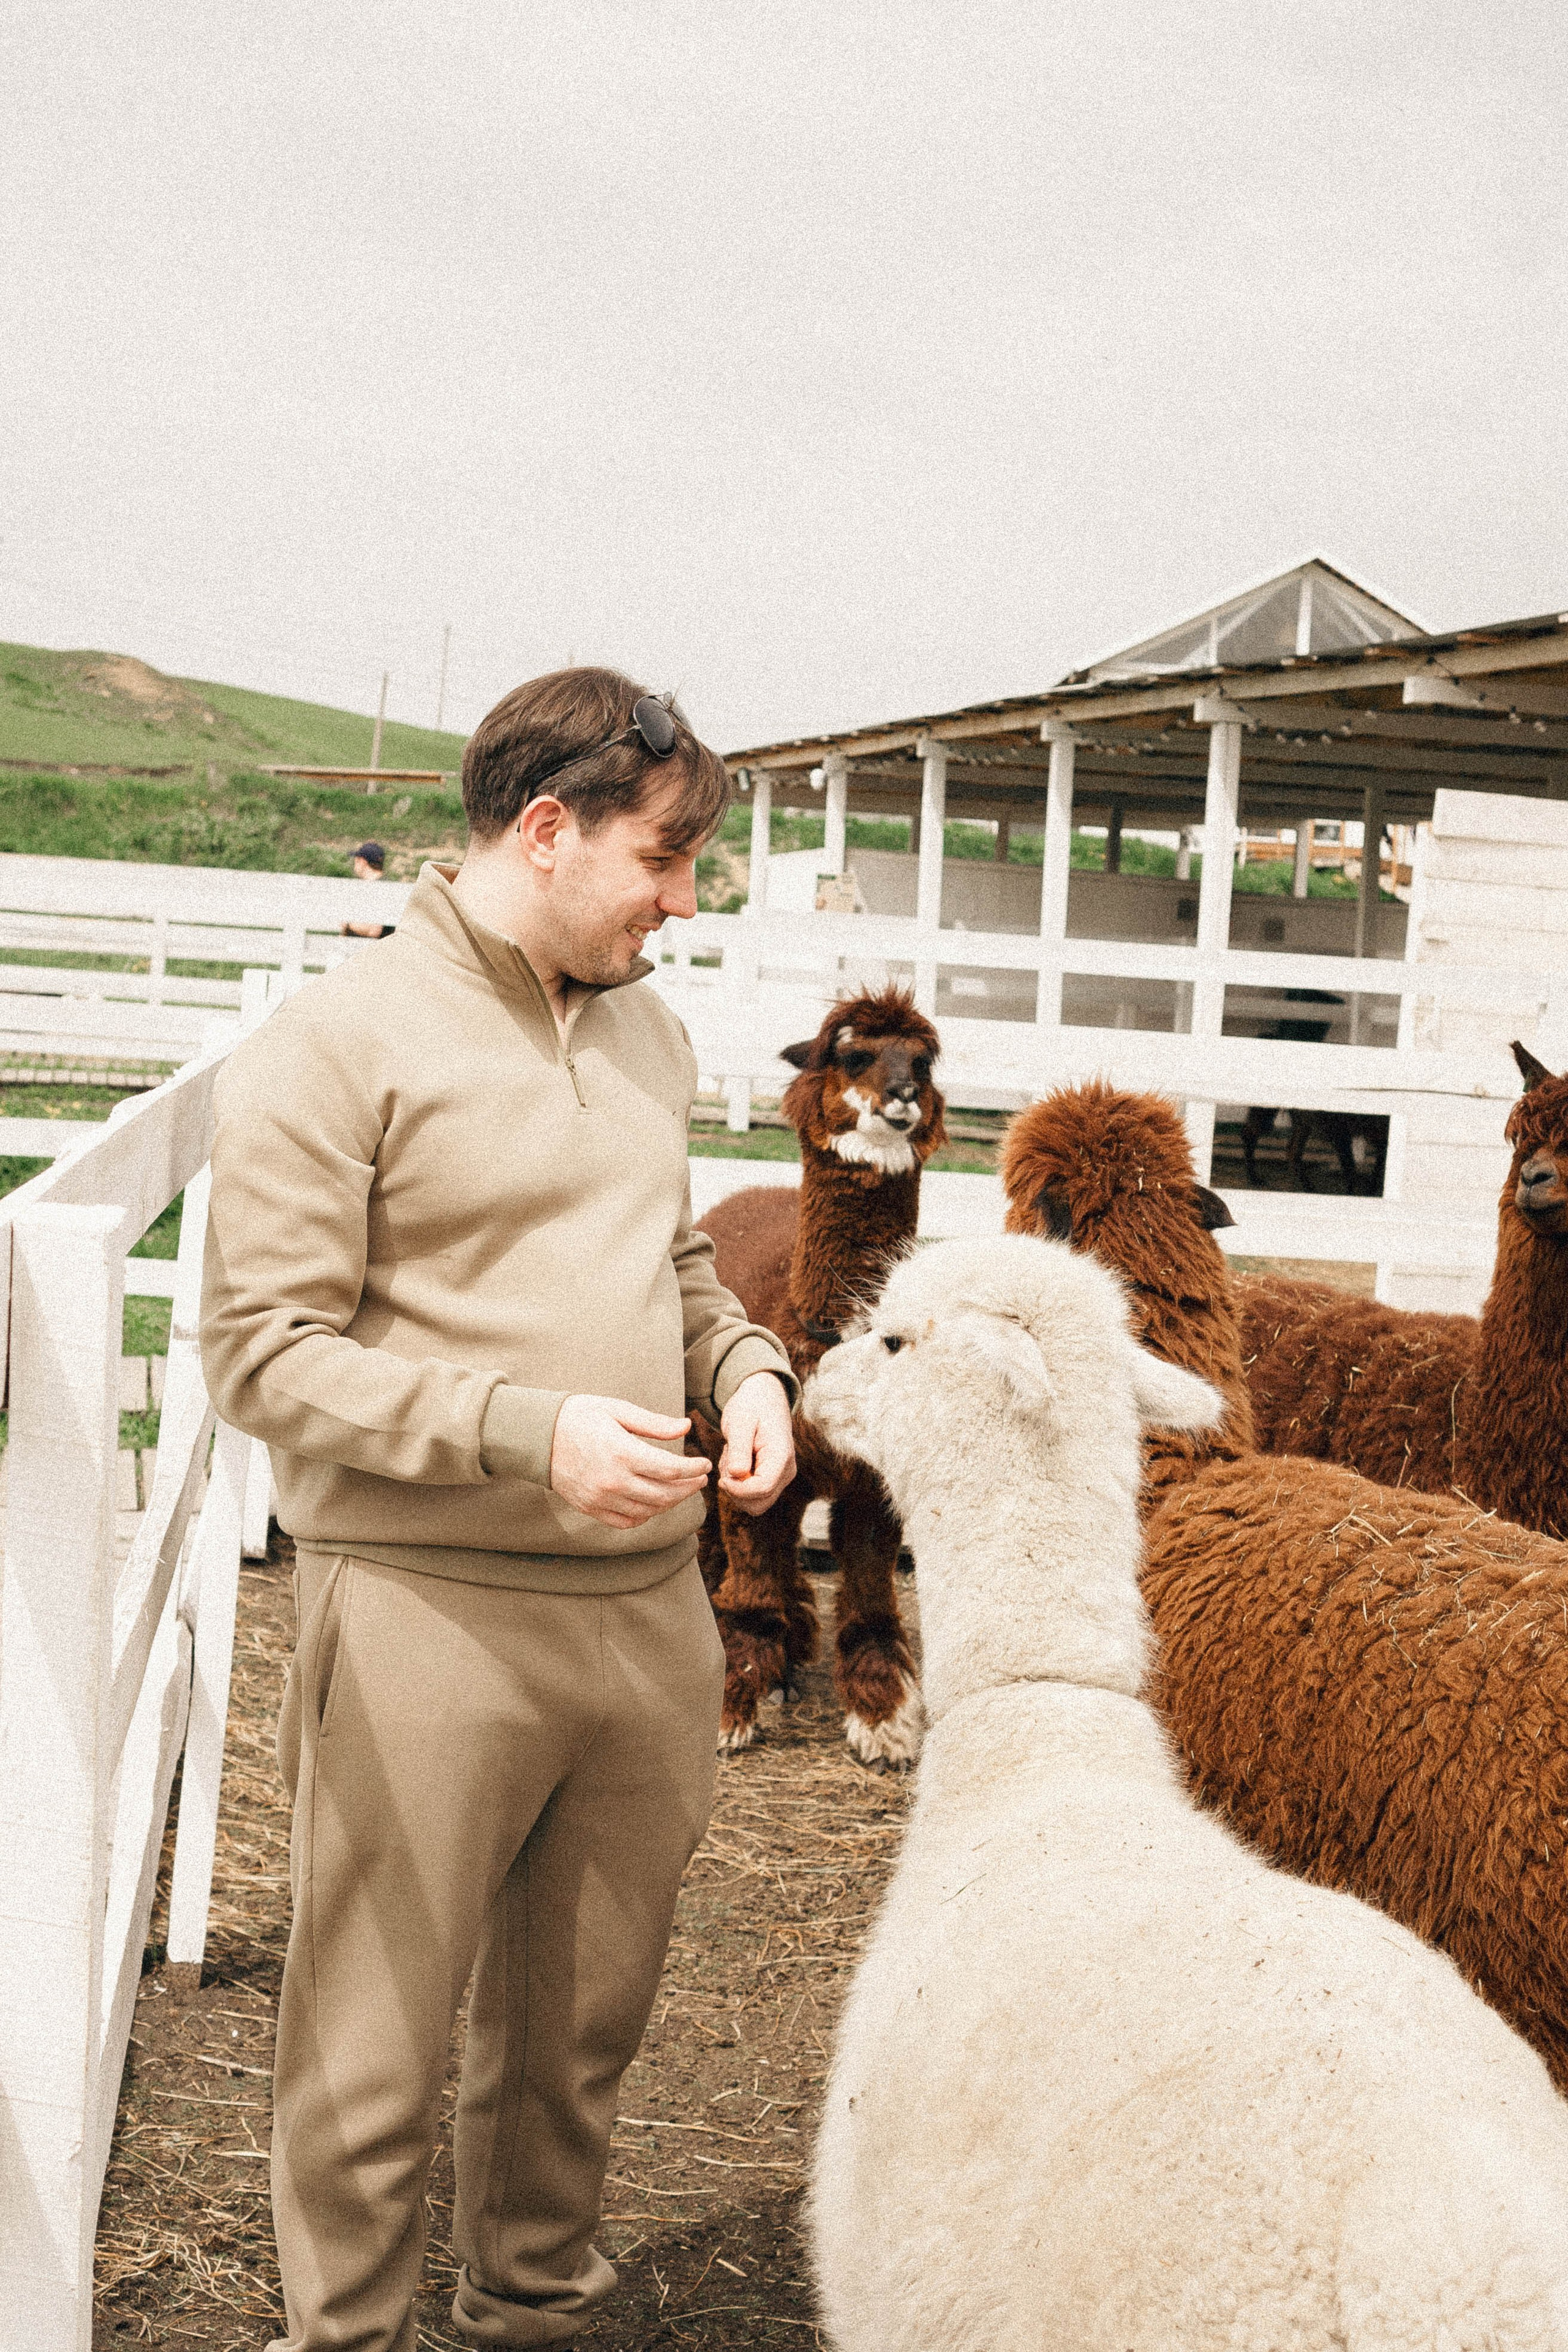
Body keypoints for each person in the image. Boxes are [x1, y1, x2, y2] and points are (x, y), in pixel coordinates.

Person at [200, 669, 798, 2352]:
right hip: (424, 1610)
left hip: (641, 1612)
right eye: (664, 859)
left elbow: (669, 1258)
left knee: (579, 2042)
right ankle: (351, 2338)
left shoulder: (645, 1029)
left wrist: (745, 1366)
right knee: (372, 2050)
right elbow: (263, 1357)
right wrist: (527, 1433)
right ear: (547, 829)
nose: (685, 901)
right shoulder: (340, 1045)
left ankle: (528, 2315)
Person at [340, 837, 393, 937]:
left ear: (363, 862)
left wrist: (348, 924)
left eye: (356, 860)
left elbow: (374, 930)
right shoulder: (380, 885)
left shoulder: (381, 888)